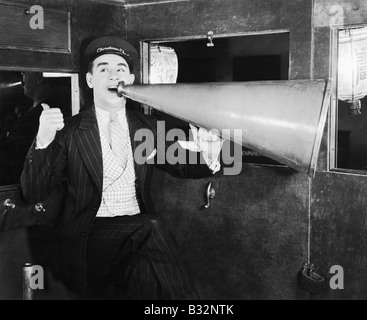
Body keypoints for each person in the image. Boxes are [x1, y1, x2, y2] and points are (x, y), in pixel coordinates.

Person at [21, 36, 223, 300]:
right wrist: (43, 140)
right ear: (90, 80)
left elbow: (182, 166)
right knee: (150, 226)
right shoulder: (69, 131)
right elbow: (33, 193)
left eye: (120, 69)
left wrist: (211, 152)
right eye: (103, 69)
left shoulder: (147, 126)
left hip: (135, 240)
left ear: (130, 79)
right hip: (87, 241)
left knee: (145, 273)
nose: (113, 75)